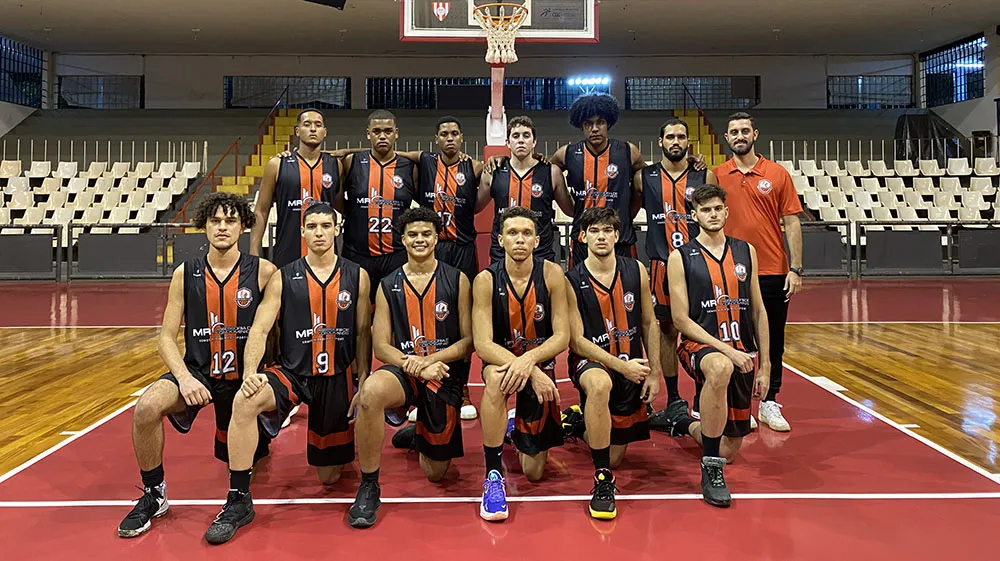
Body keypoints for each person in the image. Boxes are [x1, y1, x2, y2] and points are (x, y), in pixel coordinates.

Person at [202, 203, 370, 544]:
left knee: (328, 476)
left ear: (337, 230)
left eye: (326, 225)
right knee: (245, 400)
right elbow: (260, 329)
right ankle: (238, 499)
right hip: (292, 372)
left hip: (336, 377)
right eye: (313, 226)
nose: (320, 232)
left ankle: (338, 441)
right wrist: (250, 372)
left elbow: (363, 332)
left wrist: (364, 377)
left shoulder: (358, 275)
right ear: (302, 231)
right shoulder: (284, 275)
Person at [117, 193, 276, 538]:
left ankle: (238, 499)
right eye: (215, 221)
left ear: (243, 226)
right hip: (200, 370)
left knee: (251, 449)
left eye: (230, 221)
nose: (222, 227)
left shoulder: (263, 272)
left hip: (243, 375)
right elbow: (165, 337)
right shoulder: (184, 274)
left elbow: (263, 331)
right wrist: (185, 378)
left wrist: (253, 373)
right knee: (146, 407)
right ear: (204, 226)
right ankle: (153, 495)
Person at [348, 207, 473, 529]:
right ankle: (369, 484)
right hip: (405, 369)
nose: (420, 239)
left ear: (436, 237)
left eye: (426, 234)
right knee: (370, 394)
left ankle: (419, 433)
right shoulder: (389, 284)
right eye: (413, 234)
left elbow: (469, 340)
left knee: (436, 473)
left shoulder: (457, 279)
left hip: (443, 373)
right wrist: (414, 366)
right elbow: (381, 346)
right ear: (403, 239)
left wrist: (430, 362)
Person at [662, 184, 771, 507]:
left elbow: (759, 309)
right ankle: (710, 469)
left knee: (729, 450)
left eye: (717, 209)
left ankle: (682, 421)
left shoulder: (745, 251)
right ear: (693, 215)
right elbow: (680, 320)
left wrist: (765, 365)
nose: (712, 214)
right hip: (699, 346)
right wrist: (727, 351)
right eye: (705, 209)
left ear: (726, 212)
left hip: (742, 350)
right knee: (720, 368)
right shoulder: (680, 257)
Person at [563, 207, 661, 520]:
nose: (601, 236)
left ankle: (578, 423)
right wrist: (622, 367)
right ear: (583, 236)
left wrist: (655, 372)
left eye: (607, 230)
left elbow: (649, 323)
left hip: (631, 366)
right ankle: (603, 479)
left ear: (617, 235)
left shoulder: (636, 270)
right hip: (592, 363)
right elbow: (577, 341)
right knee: (599, 385)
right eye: (594, 231)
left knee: (615, 451)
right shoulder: (571, 280)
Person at [473, 206, 569, 521]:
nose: (519, 240)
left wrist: (530, 364)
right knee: (496, 382)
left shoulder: (552, 273)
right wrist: (525, 368)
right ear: (500, 239)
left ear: (537, 240)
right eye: (512, 233)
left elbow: (561, 336)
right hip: (501, 361)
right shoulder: (486, 279)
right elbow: (483, 343)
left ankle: (513, 429)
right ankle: (492, 476)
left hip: (538, 361)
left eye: (526, 233)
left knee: (535, 473)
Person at [714, 111, 802, 432]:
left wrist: (796, 268)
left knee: (772, 339)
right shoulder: (717, 175)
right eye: (733, 131)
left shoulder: (777, 174)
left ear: (755, 134)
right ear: (726, 138)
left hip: (772, 270)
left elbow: (791, 221)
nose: (739, 136)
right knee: (732, 338)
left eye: (744, 131)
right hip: (728, 271)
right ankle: (737, 404)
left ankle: (769, 401)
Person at [635, 118, 723, 430]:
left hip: (697, 263)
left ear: (688, 142)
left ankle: (704, 391)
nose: (676, 141)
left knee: (703, 328)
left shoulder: (703, 173)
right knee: (668, 332)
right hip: (660, 263)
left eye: (681, 136)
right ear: (660, 142)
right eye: (670, 136)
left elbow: (715, 218)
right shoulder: (644, 176)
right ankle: (674, 399)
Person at [250, 109, 343, 268]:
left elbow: (339, 206)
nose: (313, 129)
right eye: (307, 124)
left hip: (326, 256)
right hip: (287, 252)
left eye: (318, 125)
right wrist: (253, 251)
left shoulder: (336, 165)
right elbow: (261, 210)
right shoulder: (277, 165)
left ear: (324, 132)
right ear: (297, 131)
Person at [339, 110, 419, 291]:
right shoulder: (351, 162)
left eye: (388, 131)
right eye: (376, 131)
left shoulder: (409, 168)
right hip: (356, 253)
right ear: (368, 134)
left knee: (395, 311)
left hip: (397, 254)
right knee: (356, 311)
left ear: (396, 133)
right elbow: (337, 199)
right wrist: (354, 213)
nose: (382, 136)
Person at [476, 115, 572, 265]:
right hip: (502, 255)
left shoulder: (552, 172)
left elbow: (570, 210)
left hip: (541, 255)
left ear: (534, 142)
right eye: (515, 136)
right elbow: (473, 207)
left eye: (526, 135)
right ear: (508, 143)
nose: (521, 140)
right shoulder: (493, 172)